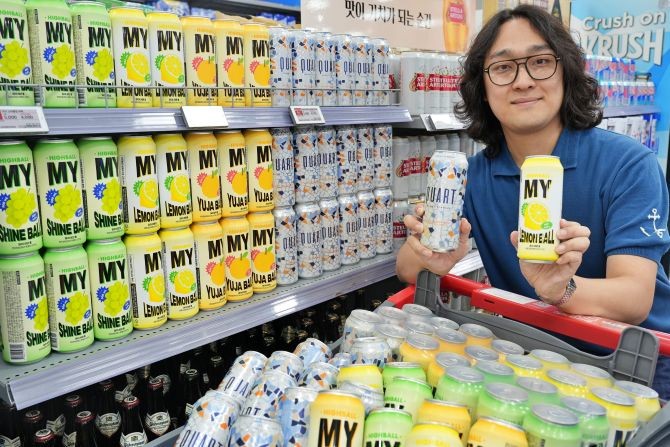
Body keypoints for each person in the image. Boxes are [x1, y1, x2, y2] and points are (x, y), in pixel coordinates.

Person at [396, 4, 670, 399]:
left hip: (634, 369)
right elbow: (406, 268)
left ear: (566, 73)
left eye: (540, 62)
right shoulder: (474, 175)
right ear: (482, 88)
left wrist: (562, 289)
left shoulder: (628, 165)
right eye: (503, 68)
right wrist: (431, 255)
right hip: (532, 359)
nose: (522, 81)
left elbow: (634, 298)